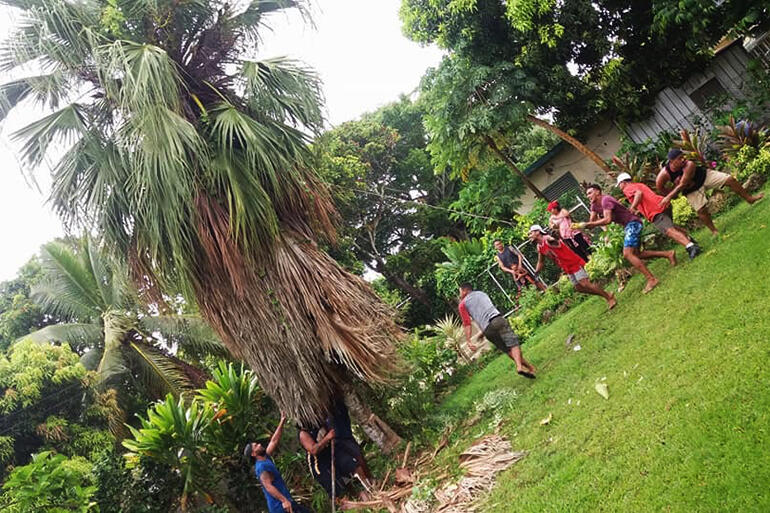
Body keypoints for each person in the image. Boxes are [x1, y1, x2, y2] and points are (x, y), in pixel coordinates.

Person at [578, 183, 675, 294]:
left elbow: (608, 220)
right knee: (637, 254)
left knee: (627, 254)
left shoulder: (606, 200)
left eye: (590, 193)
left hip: (633, 223)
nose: (588, 196)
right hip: (628, 226)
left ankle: (652, 279)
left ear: (598, 192)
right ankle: (668, 254)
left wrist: (589, 225)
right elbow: (591, 221)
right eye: (587, 194)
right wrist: (581, 226)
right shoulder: (594, 205)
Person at [655, 148, 764, 235]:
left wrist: (669, 197)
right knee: (701, 210)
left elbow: (683, 183)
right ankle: (714, 231)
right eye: (679, 158)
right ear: (672, 162)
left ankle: (749, 199)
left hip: (705, 176)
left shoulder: (689, 164)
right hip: (691, 190)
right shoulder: (664, 174)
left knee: (730, 179)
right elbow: (659, 186)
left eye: (683, 156)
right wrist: (670, 194)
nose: (683, 159)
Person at [528, 224, 616, 310]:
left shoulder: (547, 239)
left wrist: (555, 236)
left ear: (538, 232)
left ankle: (608, 297)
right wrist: (536, 274)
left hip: (573, 262)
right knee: (579, 288)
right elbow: (541, 261)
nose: (529, 236)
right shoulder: (539, 247)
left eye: (531, 233)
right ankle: (607, 294)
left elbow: (555, 241)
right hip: (566, 267)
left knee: (585, 283)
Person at [458, 283, 536, 379]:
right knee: (513, 344)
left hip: (488, 330)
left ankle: (530, 367)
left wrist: (469, 340)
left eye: (460, 291)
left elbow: (467, 323)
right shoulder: (482, 294)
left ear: (465, 291)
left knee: (507, 350)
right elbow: (487, 311)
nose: (460, 294)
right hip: (498, 320)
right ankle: (519, 367)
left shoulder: (462, 304)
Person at [298, 400, 371, 503]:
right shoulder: (303, 434)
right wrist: (327, 438)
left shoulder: (319, 421)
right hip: (320, 465)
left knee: (353, 465)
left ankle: (369, 488)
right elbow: (314, 450)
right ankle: (351, 504)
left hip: (332, 453)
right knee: (337, 490)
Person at [615, 173, 701, 260]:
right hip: (662, 203)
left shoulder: (627, 188)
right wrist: (639, 210)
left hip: (655, 211)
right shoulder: (639, 184)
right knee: (670, 226)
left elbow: (639, 194)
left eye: (619, 184)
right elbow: (646, 197)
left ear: (624, 182)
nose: (619, 187)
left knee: (668, 230)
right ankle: (689, 239)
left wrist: (632, 207)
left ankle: (691, 246)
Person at [245, 415, 312, 513]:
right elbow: (268, 486)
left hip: (286, 503)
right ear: (253, 454)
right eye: (256, 446)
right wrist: (284, 500)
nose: (259, 445)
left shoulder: (265, 458)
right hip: (280, 507)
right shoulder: (261, 467)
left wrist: (282, 421)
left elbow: (274, 441)